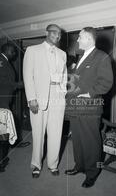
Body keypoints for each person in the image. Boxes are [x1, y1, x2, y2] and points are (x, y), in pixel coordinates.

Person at [65, 27, 113, 188]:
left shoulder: (101, 56)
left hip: (90, 108)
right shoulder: (81, 56)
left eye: (80, 37)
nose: (77, 40)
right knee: (77, 140)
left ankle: (92, 173)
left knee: (91, 142)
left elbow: (107, 82)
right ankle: (79, 166)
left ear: (90, 39)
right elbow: (80, 80)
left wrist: (90, 94)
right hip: (75, 108)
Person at [23, 24, 67, 178]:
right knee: (38, 133)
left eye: (60, 34)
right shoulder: (32, 50)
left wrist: (63, 94)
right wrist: (31, 98)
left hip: (57, 97)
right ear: (46, 33)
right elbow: (28, 75)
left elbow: (64, 76)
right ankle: (36, 164)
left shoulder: (63, 54)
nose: (57, 36)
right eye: (54, 32)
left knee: (56, 132)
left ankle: (53, 164)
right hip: (38, 98)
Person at [0, 42, 28, 172]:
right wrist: (19, 84)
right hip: (2, 102)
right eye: (13, 51)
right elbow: (5, 81)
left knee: (4, 129)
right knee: (3, 131)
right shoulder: (1, 61)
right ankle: (2, 160)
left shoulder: (5, 61)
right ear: (7, 50)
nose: (15, 53)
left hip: (5, 100)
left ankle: (13, 144)